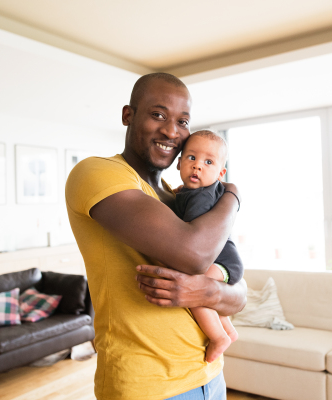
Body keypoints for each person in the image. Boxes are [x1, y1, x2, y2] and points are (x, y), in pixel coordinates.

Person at [65, 72, 247, 400]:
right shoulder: (98, 173)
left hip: (209, 375)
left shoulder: (174, 196)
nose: (171, 130)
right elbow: (194, 254)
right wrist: (232, 196)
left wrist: (204, 290)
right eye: (158, 115)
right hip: (148, 386)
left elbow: (240, 295)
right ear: (128, 115)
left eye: (183, 121)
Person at [174, 130, 243, 363]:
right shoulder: (194, 192)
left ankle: (218, 337)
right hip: (225, 260)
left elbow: (192, 235)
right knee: (205, 296)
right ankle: (228, 331)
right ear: (179, 163)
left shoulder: (200, 197)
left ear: (220, 173)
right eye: (191, 158)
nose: (197, 166)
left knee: (194, 292)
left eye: (208, 162)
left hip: (221, 261)